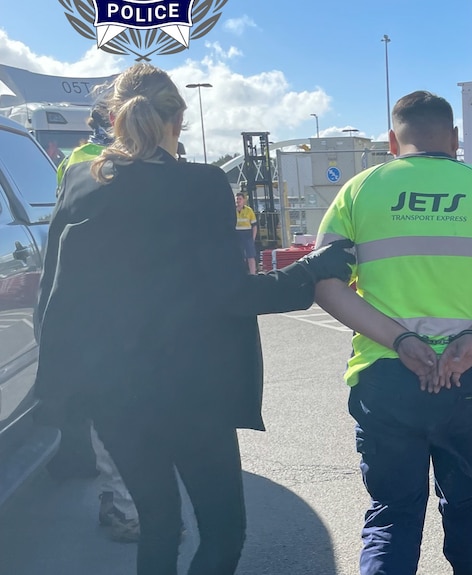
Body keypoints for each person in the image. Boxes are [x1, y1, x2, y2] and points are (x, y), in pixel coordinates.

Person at [34, 62, 355, 575]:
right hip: (192, 394)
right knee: (223, 532)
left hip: (113, 398)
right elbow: (229, 294)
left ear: (113, 118)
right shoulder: (201, 185)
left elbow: (54, 291)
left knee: (158, 528)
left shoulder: (79, 180)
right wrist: (310, 273)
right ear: (177, 120)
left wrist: (63, 395)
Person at [313, 90, 472, 575]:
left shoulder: (359, 190)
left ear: (392, 140)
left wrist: (401, 341)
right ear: (454, 138)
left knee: (393, 514)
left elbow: (323, 282)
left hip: (386, 377)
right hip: (470, 378)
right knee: (466, 499)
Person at [54, 102, 143, 542]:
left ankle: (116, 500)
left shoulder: (75, 160)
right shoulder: (110, 163)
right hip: (116, 303)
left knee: (104, 412)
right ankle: (126, 508)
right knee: (122, 412)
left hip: (92, 302)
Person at [235, 192, 258, 273]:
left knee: (251, 257)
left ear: (244, 200)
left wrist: (253, 238)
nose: (238, 201)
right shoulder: (232, 210)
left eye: (240, 199)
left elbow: (254, 226)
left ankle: (253, 274)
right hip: (237, 236)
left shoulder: (249, 211)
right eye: (237, 199)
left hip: (248, 236)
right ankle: (242, 274)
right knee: (240, 257)